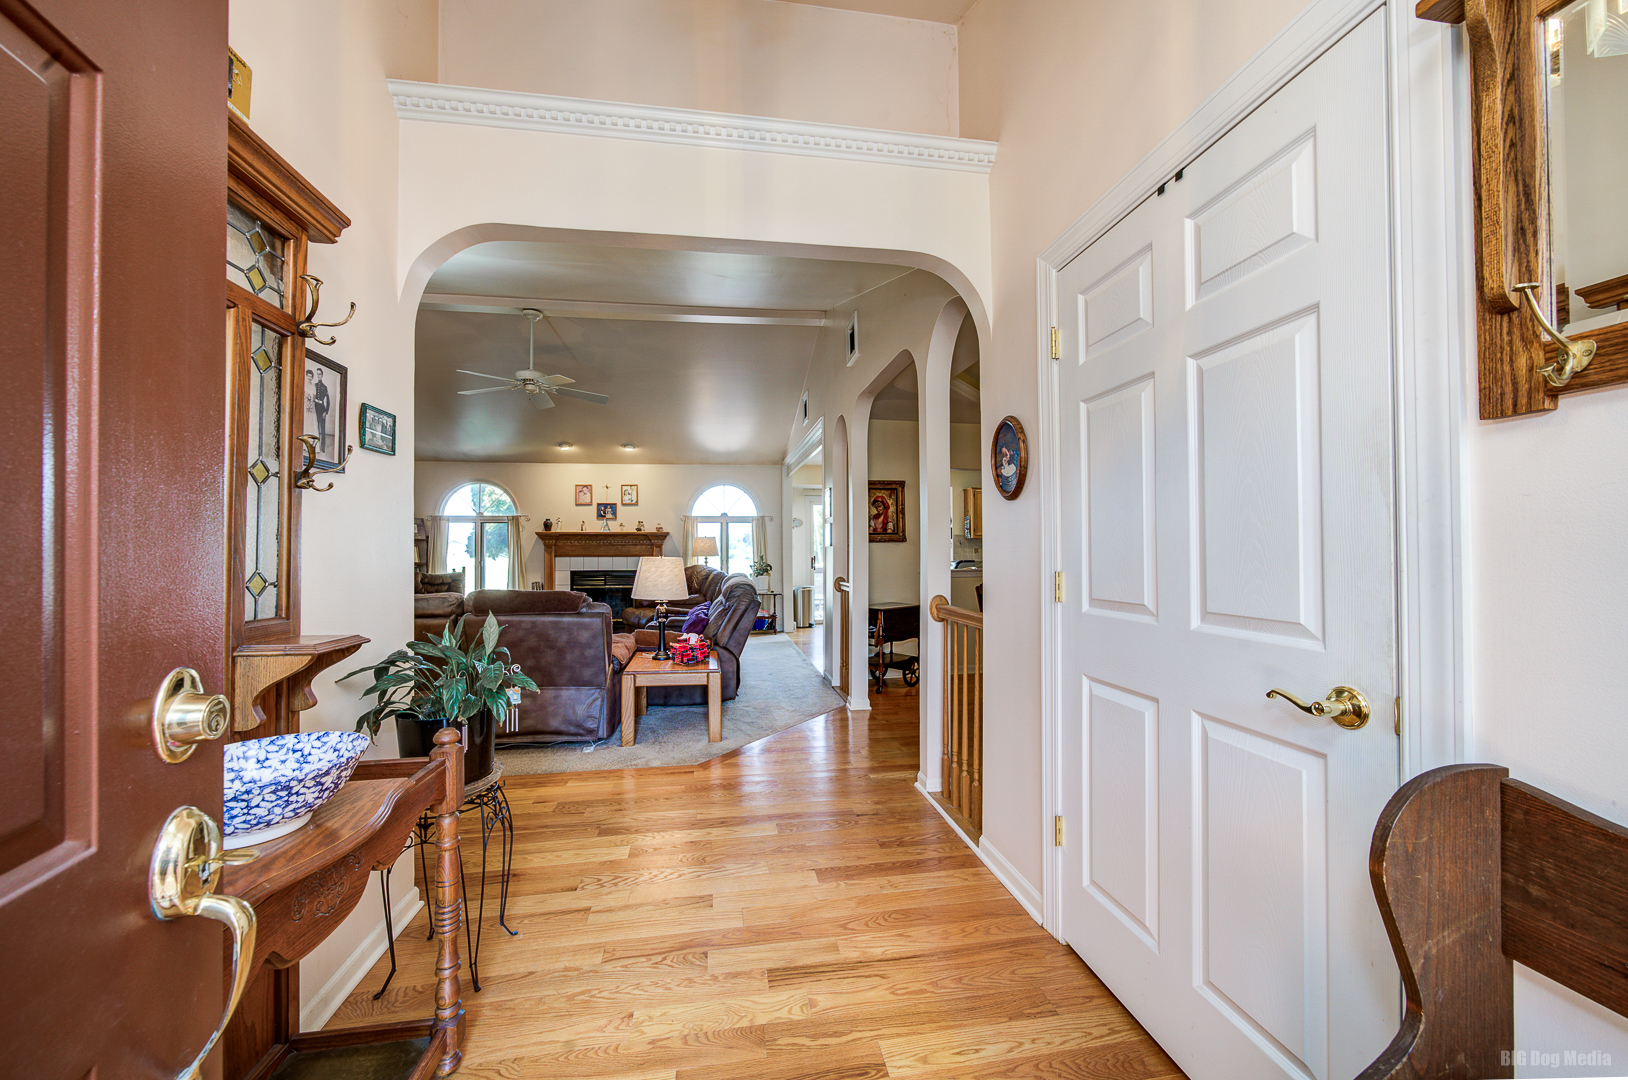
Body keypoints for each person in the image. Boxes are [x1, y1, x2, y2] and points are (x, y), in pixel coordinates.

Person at [312, 369, 331, 456]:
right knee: (315, 427)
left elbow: (328, 400)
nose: (318, 376)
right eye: (317, 374)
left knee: (322, 429)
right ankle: (314, 446)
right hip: (315, 407)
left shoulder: (324, 387)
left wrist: (325, 412)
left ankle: (322, 447)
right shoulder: (314, 385)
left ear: (322, 375)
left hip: (321, 408)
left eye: (319, 374)